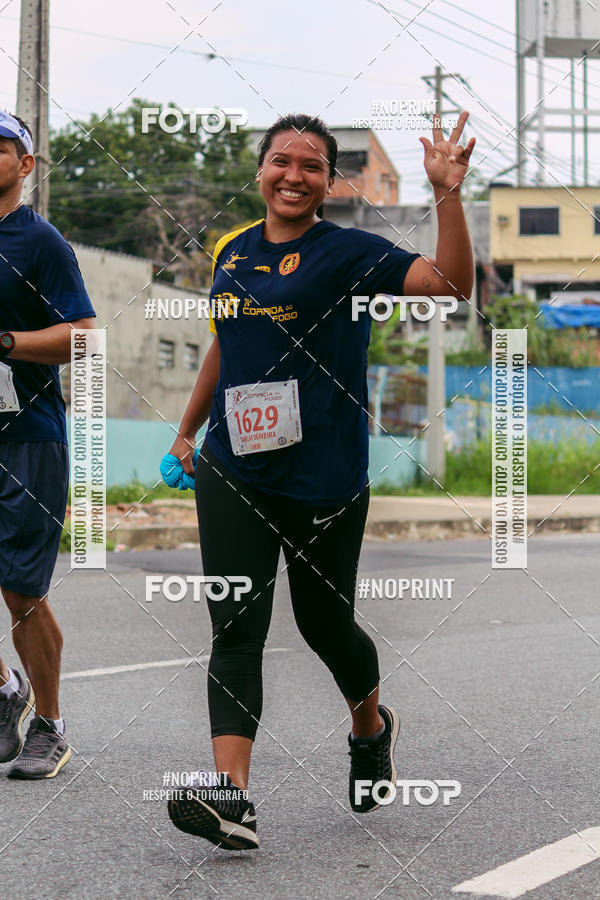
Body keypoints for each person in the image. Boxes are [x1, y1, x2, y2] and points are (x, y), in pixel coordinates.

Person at [165, 111, 475, 848]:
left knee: (323, 625)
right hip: (234, 465)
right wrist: (187, 428)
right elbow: (225, 344)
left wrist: (448, 196)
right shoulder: (233, 252)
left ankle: (370, 728)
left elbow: (452, 284)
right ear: (262, 170)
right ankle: (231, 797)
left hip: (325, 477)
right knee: (235, 627)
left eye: (311, 166)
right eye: (282, 161)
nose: (294, 176)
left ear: (329, 182)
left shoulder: (349, 254)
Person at [0, 111, 96, 778]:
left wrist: (6, 343)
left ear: (26, 165)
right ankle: (7, 690)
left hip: (27, 439)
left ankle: (51, 724)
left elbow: (84, 336)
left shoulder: (41, 244)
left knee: (19, 591)